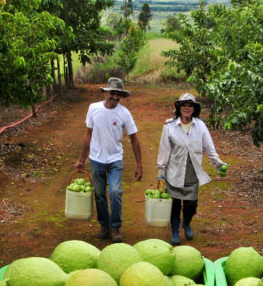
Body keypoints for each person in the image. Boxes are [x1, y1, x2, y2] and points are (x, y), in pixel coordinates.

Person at [74, 77, 143, 242]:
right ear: (106, 93)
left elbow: (134, 138)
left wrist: (139, 164)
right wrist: (81, 159)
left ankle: (115, 227)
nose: (115, 97)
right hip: (96, 159)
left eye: (118, 94)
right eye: (112, 93)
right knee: (99, 194)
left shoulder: (124, 113)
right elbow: (88, 134)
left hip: (115, 159)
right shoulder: (93, 109)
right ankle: (104, 226)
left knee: (115, 191)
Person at [156, 92, 226, 245]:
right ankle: (175, 231)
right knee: (175, 203)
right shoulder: (169, 126)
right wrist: (161, 170)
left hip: (192, 171)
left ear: (194, 108)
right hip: (174, 171)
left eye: (190, 105)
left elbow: (208, 146)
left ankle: (186, 223)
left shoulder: (200, 126)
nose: (187, 108)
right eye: (184, 105)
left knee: (191, 204)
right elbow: (164, 149)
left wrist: (218, 163)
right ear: (179, 107)